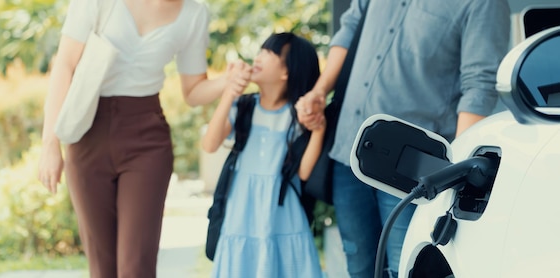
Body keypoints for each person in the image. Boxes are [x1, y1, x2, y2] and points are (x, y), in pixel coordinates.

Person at [296, 0, 511, 277]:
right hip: (348, 151)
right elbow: (349, 29)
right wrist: (319, 91)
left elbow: (479, 85)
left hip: (413, 168)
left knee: (404, 265)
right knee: (358, 264)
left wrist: (455, 174)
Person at [36, 0, 250, 276]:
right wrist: (50, 143)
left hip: (147, 136)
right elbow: (64, 65)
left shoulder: (194, 14)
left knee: (136, 265)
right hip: (87, 130)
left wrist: (226, 82)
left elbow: (193, 90)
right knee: (102, 265)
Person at [202, 32, 325, 278]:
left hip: (282, 210)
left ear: (286, 72)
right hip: (241, 206)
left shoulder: (298, 115)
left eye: (269, 53)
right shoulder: (244, 105)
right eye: (260, 51)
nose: (258, 57)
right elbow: (210, 144)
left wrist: (319, 129)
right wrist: (229, 92)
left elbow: (303, 173)